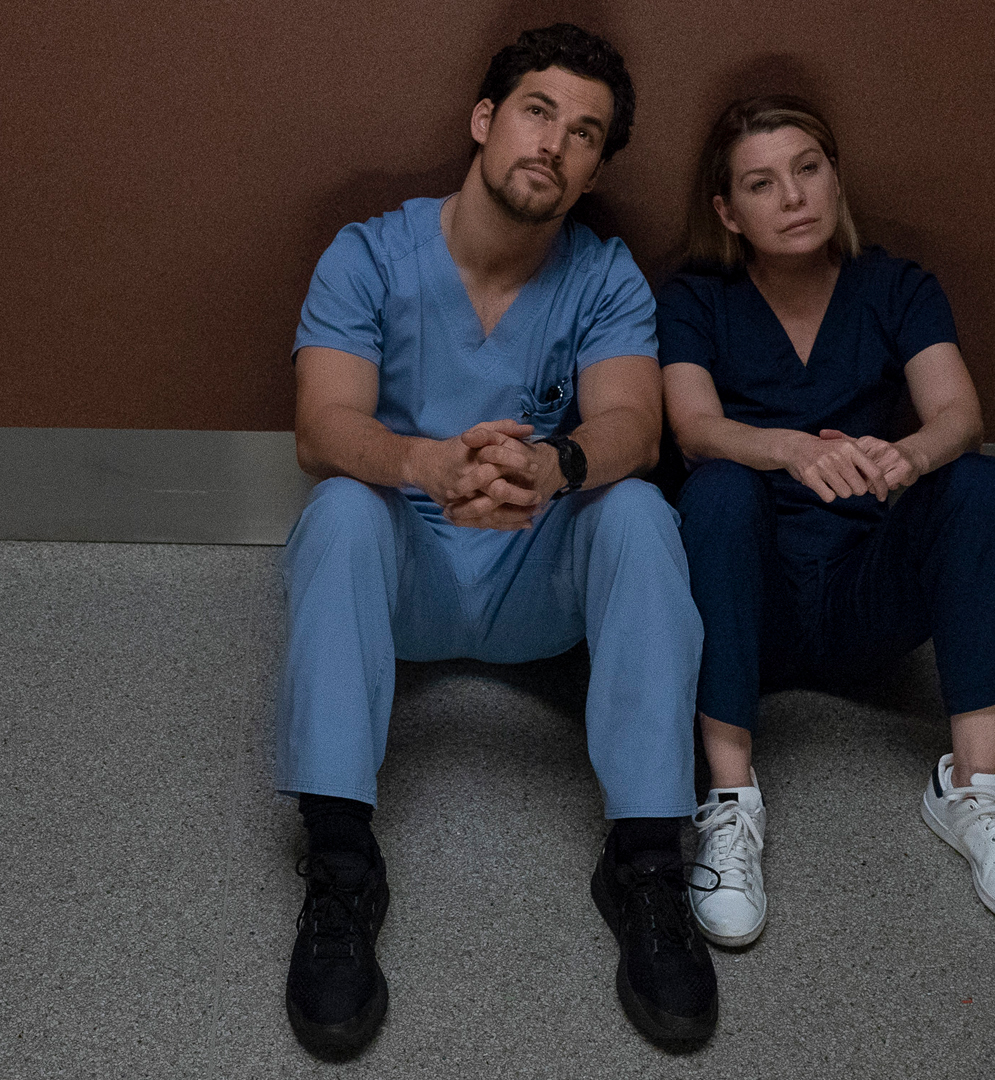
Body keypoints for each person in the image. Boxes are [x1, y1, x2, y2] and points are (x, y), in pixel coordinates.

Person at [279, 23, 715, 1059]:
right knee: (340, 507)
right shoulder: (368, 255)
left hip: (536, 570)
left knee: (644, 511)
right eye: (537, 111)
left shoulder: (605, 278)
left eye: (585, 133)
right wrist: (422, 464)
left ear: (597, 165)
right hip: (408, 570)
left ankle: (648, 865)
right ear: (484, 121)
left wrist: (558, 466)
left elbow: (633, 426)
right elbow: (321, 426)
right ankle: (340, 869)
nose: (555, 143)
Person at [657, 95, 995, 948]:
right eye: (762, 185)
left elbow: (959, 411)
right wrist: (787, 449)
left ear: (836, 179)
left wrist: (909, 456)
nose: (793, 196)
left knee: (978, 483)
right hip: (747, 606)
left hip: (865, 589)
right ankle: (730, 802)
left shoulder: (897, 286)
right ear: (729, 213)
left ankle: (974, 791)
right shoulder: (698, 298)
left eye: (809, 170)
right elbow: (694, 430)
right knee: (718, 489)